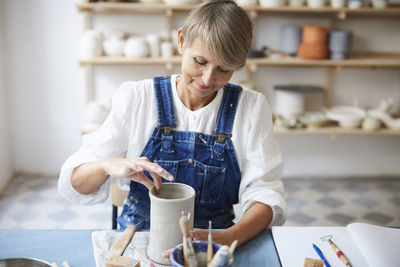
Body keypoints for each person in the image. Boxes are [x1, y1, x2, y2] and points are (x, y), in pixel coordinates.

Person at [59, 0, 287, 247]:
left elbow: (266, 194)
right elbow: (76, 183)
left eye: (224, 69)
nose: (208, 79)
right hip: (139, 240)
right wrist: (106, 165)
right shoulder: (138, 98)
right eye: (200, 61)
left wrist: (230, 236)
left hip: (214, 242)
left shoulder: (251, 108)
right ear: (181, 41)